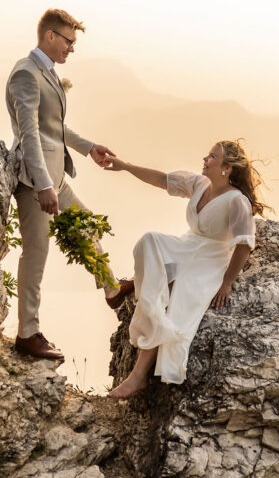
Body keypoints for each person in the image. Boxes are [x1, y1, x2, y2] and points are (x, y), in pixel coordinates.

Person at [6, 8, 134, 362]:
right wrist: (44, 185)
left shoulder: (47, 73)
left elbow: (52, 127)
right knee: (37, 254)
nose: (72, 49)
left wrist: (88, 146)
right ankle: (27, 334)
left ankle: (111, 289)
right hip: (36, 181)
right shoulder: (26, 74)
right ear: (50, 36)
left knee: (86, 223)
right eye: (68, 41)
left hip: (55, 176)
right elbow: (29, 134)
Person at [103, 139, 268, 398]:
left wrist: (226, 282)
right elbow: (161, 179)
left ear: (226, 167)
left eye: (212, 157)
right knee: (149, 241)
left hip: (210, 259)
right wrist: (125, 166)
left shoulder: (237, 201)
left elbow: (244, 245)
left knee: (172, 293)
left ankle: (137, 377)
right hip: (187, 246)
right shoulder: (200, 184)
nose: (205, 159)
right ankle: (137, 282)